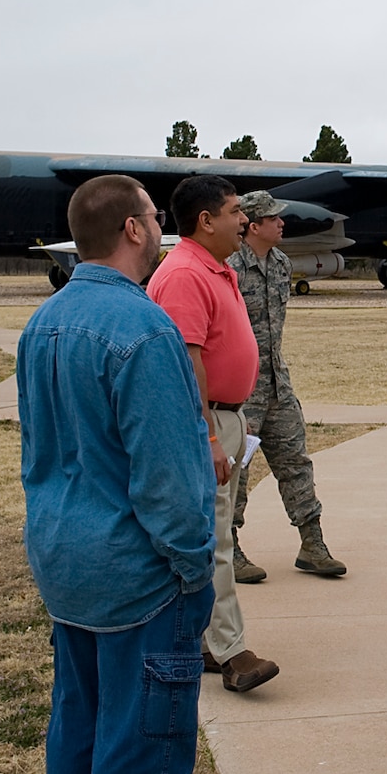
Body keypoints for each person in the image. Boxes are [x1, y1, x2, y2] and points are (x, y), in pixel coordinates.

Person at [18, 173, 224, 774]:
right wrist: (192, 567)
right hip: (137, 574)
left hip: (65, 559)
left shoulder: (44, 322)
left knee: (78, 723)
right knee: (140, 738)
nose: (160, 229)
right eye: (153, 217)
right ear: (134, 230)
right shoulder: (142, 330)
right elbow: (169, 480)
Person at [146, 173, 279, 694]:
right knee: (215, 538)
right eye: (234, 211)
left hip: (225, 417)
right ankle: (231, 651)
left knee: (213, 533)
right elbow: (186, 359)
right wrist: (206, 434)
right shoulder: (185, 274)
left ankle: (201, 640)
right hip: (204, 421)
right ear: (206, 221)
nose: (244, 219)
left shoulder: (213, 268)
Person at [229, 189, 344, 581]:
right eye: (274, 218)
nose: (282, 223)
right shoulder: (228, 267)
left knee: (296, 463)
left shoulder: (280, 264)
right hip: (241, 393)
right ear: (253, 225)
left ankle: (313, 544)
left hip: (278, 386)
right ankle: (229, 549)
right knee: (235, 471)